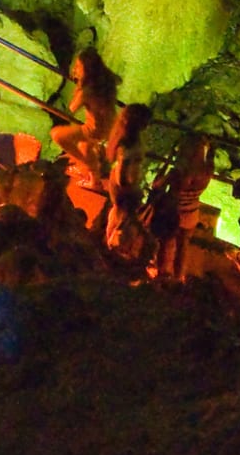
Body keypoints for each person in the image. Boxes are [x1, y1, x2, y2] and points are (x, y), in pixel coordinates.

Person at [150, 135, 214, 282]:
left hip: (173, 213)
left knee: (165, 244)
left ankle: (161, 275)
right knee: (183, 246)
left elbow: (156, 184)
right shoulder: (206, 171)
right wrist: (211, 147)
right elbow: (211, 158)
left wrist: (169, 159)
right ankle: (178, 278)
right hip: (192, 212)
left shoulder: (177, 173)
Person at [50, 49, 120, 186]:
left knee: (57, 135)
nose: (75, 70)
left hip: (95, 129)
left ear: (86, 69)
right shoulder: (108, 81)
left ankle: (86, 165)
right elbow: (119, 80)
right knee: (85, 146)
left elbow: (71, 110)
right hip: (112, 125)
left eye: (78, 67)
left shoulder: (86, 91)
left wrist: (78, 87)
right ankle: (94, 181)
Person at [103, 104, 153, 253]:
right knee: (121, 221)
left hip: (123, 186)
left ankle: (111, 247)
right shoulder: (129, 144)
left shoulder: (125, 138)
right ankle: (113, 249)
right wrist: (130, 189)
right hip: (125, 188)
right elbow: (122, 171)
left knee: (119, 218)